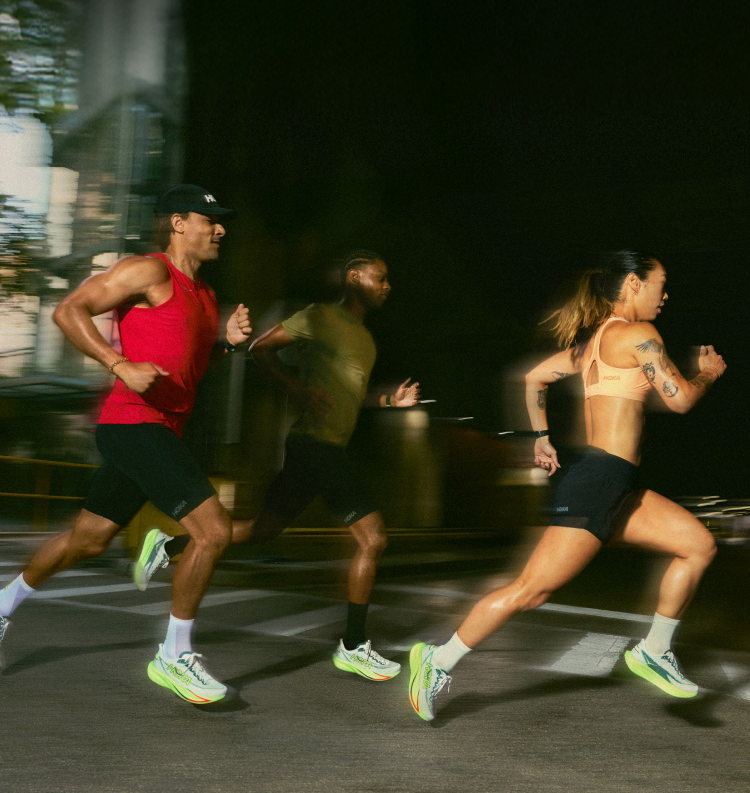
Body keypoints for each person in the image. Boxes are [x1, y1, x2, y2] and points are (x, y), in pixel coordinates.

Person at [408, 250, 726, 721]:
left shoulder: (594, 341)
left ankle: (655, 651)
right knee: (531, 591)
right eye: (661, 282)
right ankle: (436, 660)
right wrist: (708, 374)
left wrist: (541, 437)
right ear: (634, 284)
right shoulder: (638, 334)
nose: (665, 294)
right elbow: (678, 401)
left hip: (616, 483)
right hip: (598, 480)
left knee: (697, 545)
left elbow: (535, 377)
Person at [0, 184, 253, 703]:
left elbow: (186, 365)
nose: (221, 228)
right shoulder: (149, 271)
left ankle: (2, 606)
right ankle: (173, 654)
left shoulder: (204, 296)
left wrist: (225, 340)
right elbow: (68, 310)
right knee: (213, 532)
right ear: (179, 222)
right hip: (134, 423)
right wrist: (119, 365)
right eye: (211, 219)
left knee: (88, 540)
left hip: (158, 430)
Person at [134, 250, 420, 681]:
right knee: (373, 539)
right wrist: (298, 390)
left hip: (325, 448)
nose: (387, 286)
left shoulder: (366, 339)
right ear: (355, 277)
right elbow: (260, 348)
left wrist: (387, 400)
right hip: (314, 447)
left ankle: (170, 545)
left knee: (263, 530)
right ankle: (354, 646)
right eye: (381, 278)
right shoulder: (321, 317)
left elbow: (349, 398)